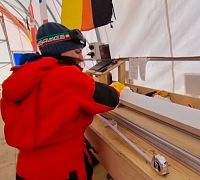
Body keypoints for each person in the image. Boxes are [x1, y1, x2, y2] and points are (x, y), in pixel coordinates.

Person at [0, 22, 120, 180]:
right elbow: (110, 99)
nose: (81, 57)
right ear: (62, 50)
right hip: (62, 170)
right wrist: (118, 88)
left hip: (26, 170)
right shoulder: (67, 76)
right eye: (77, 51)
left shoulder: (20, 76)